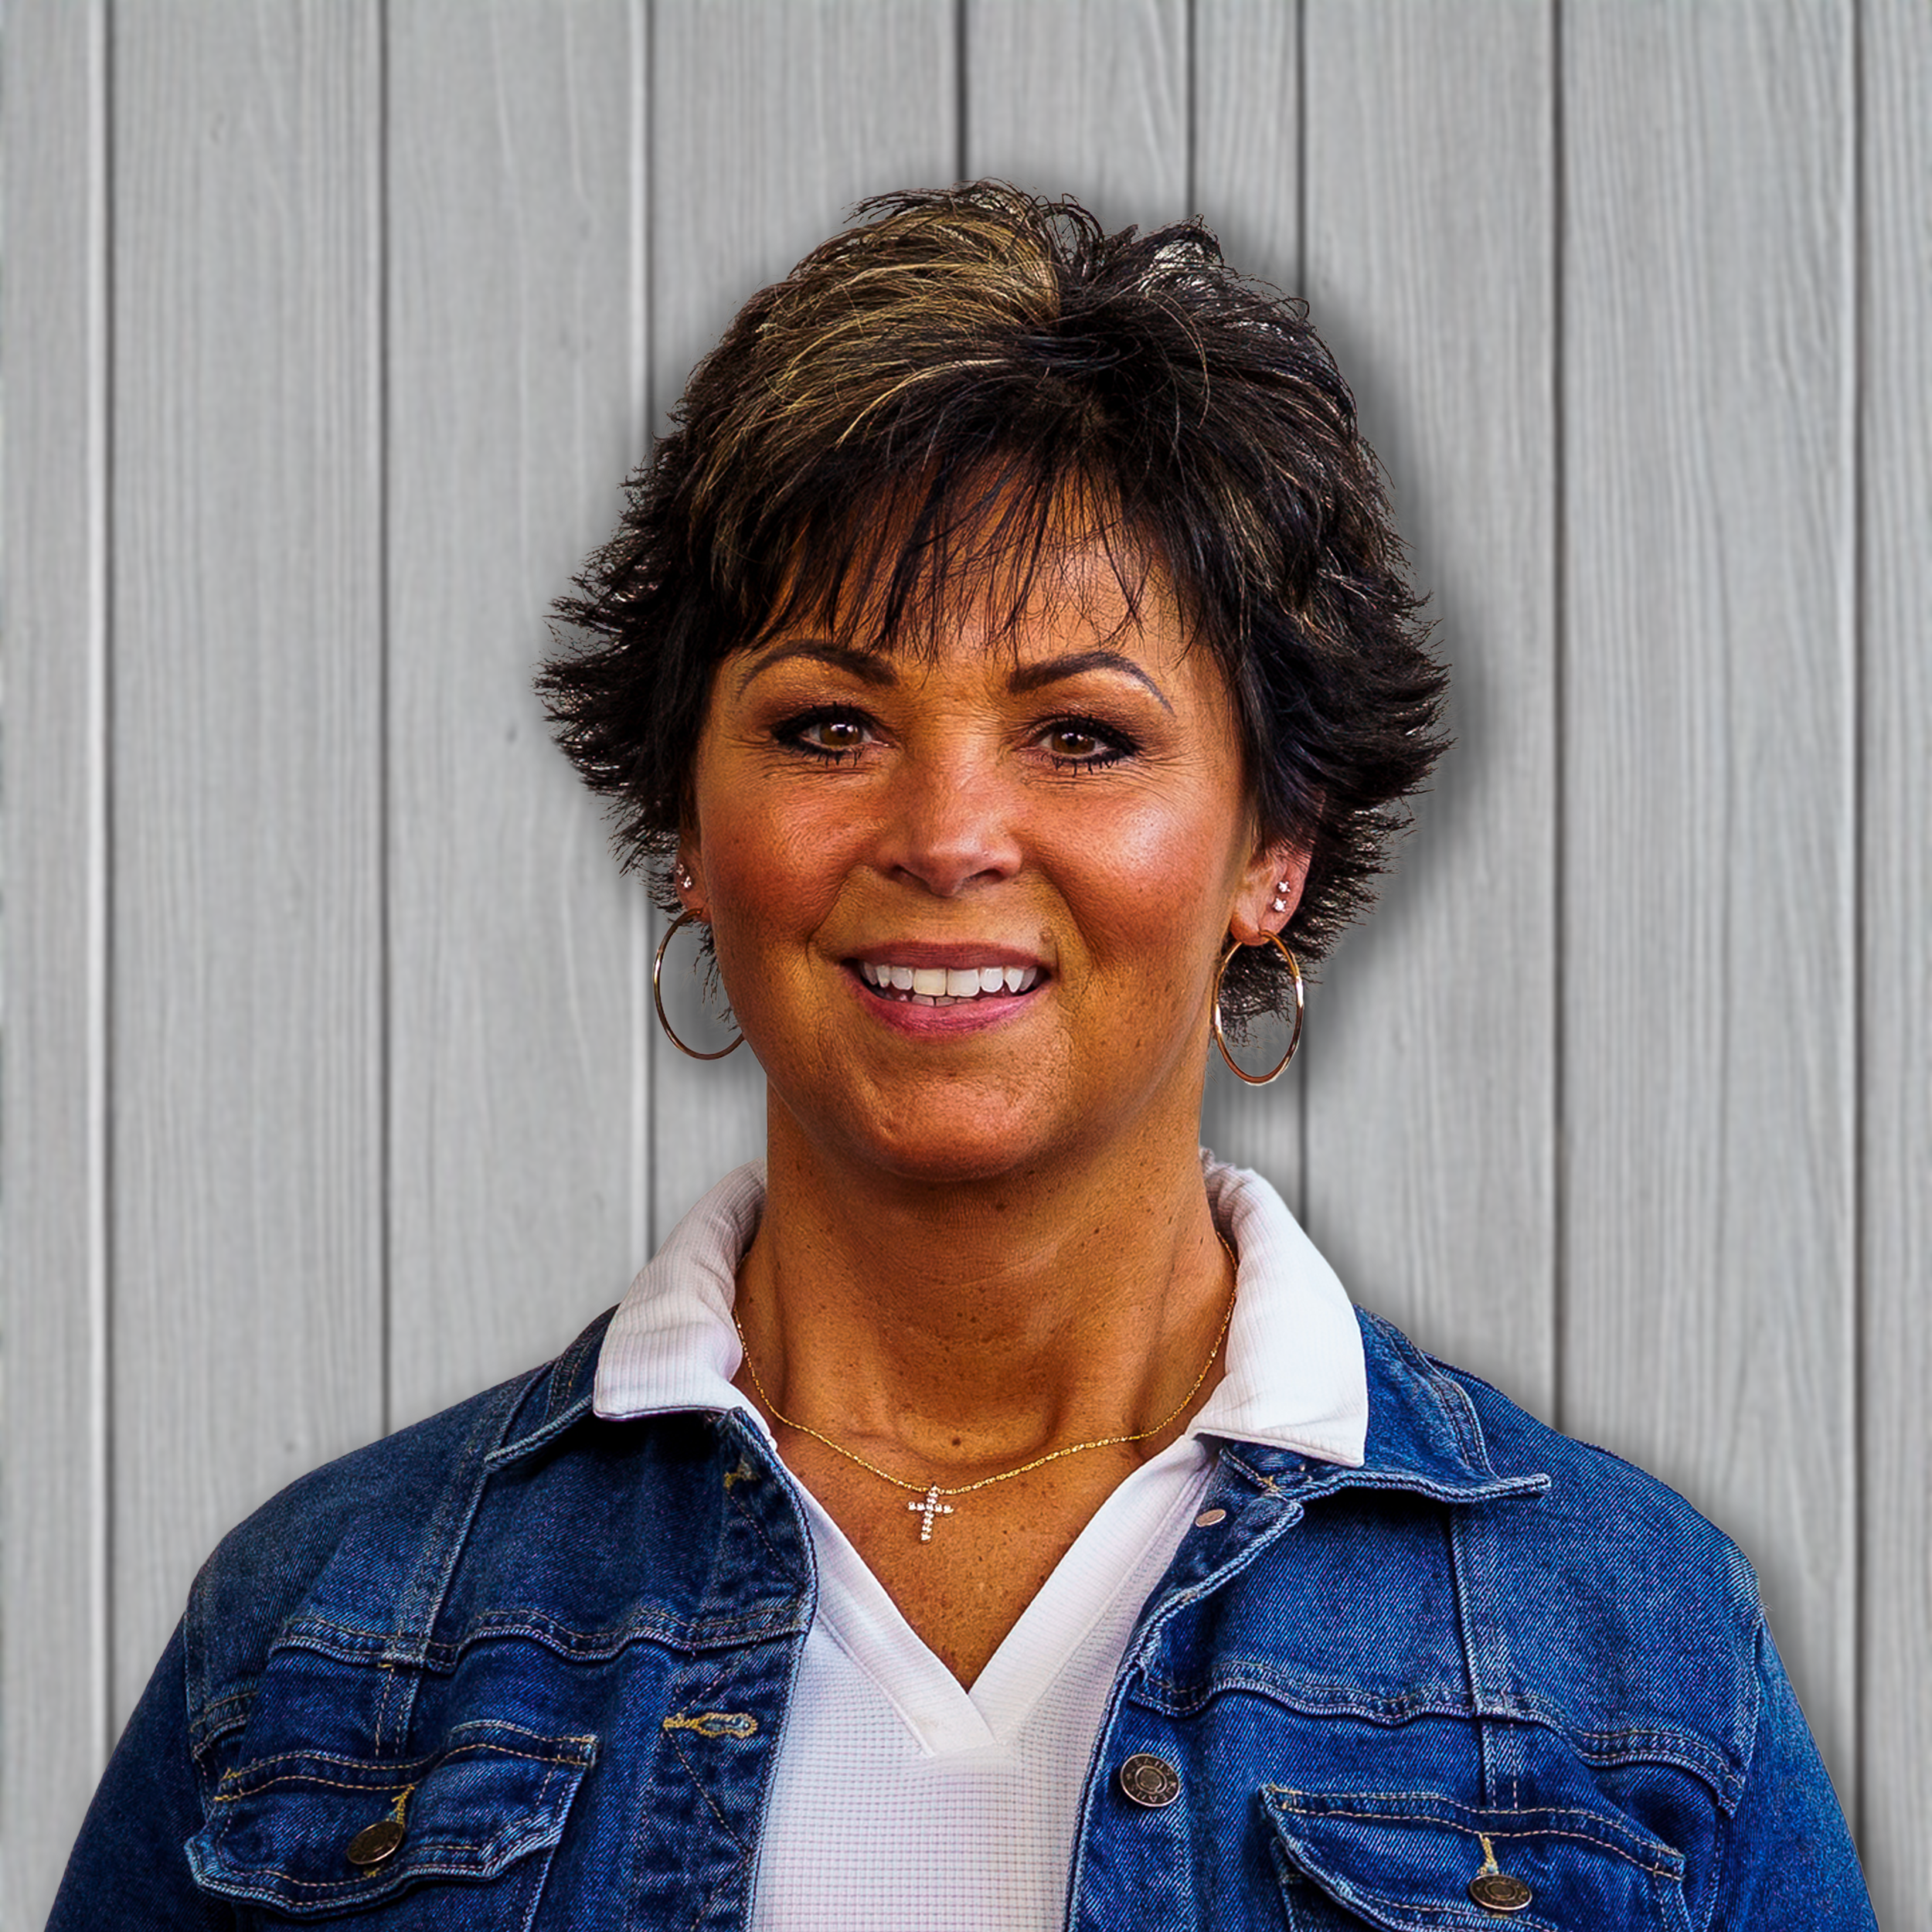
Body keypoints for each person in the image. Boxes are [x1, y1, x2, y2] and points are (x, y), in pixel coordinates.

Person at [50, 183, 1872, 1930]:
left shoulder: (1624, 1644)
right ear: (687, 821)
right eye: (830, 721)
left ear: (1274, 845)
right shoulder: (318, 1638)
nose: (945, 831)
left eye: (1079, 735)